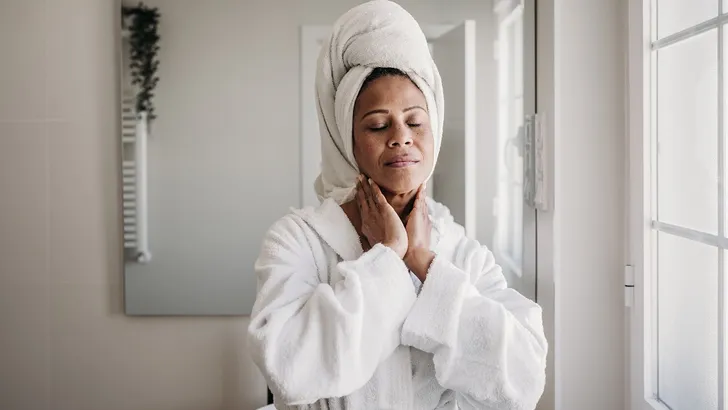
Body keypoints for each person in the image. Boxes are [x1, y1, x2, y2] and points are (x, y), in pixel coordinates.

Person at [248, 1, 547, 409]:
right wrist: (388, 256)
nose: (401, 137)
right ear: (346, 138)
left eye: (415, 120)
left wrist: (424, 262)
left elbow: (523, 379)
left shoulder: (460, 252)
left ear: (434, 130)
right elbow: (290, 371)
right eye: (377, 124)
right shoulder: (297, 241)